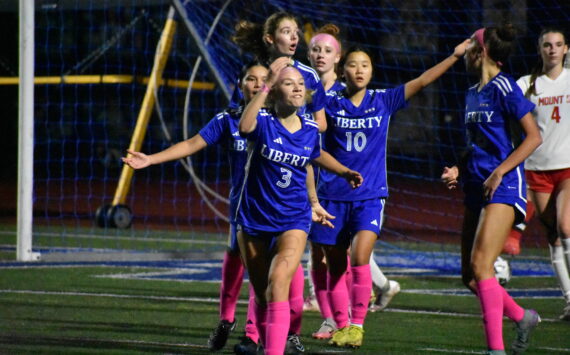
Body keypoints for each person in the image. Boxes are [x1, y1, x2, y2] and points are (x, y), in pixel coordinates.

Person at [309, 36, 470, 349]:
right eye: (353, 65)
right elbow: (311, 143)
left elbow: (422, 80)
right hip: (332, 197)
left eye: (365, 65)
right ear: (342, 71)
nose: (359, 70)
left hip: (370, 195)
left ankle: (357, 324)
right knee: (335, 266)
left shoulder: (383, 100)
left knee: (359, 257)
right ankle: (342, 325)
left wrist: (453, 56)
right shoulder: (327, 102)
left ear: (371, 71)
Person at [121, 62, 268, 353]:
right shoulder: (229, 119)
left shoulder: (284, 118)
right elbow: (192, 143)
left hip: (278, 210)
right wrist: (151, 159)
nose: (257, 84)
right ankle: (226, 320)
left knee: (262, 272)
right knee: (235, 261)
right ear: (240, 85)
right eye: (251, 78)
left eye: (264, 79)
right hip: (243, 209)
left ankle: (253, 334)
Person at [237, 57, 362, 355]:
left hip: (293, 218)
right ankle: (270, 344)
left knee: (279, 282)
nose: (296, 88)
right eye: (288, 82)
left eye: (300, 84)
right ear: (275, 90)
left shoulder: (309, 128)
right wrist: (266, 83)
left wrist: (342, 173)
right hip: (254, 217)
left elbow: (313, 157)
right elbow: (244, 126)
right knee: (264, 295)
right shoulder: (263, 122)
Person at [441, 24, 543, 355]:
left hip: (502, 185)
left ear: (480, 51)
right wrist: (458, 167)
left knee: (483, 267)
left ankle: (494, 351)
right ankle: (522, 316)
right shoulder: (473, 91)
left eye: (469, 46)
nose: (464, 52)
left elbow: (533, 137)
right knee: (470, 276)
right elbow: (477, 144)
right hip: (476, 184)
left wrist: (501, 170)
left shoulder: (505, 87)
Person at [304, 24, 400, 341]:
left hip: (356, 190)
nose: (320, 55)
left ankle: (342, 321)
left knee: (349, 256)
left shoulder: (333, 96)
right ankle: (334, 316)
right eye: (315, 49)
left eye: (327, 51)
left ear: (338, 59)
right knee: (320, 254)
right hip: (322, 187)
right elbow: (306, 145)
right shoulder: (307, 88)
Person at [516, 27, 570, 320]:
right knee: (554, 237)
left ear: (566, 49)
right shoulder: (526, 84)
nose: (552, 49)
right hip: (537, 169)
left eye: (558, 45)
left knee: (565, 226)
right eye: (547, 45)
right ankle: (569, 300)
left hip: (567, 167)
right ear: (540, 49)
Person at [232, 11, 327, 132]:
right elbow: (237, 118)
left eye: (296, 32)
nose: (294, 37)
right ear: (270, 38)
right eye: (287, 32)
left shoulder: (309, 74)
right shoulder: (253, 74)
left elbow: (322, 123)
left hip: (297, 147)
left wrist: (292, 130)